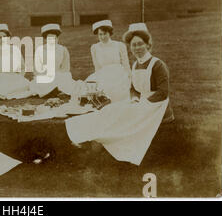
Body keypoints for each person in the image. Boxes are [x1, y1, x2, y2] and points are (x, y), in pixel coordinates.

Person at [65, 23, 174, 166]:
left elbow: (163, 92)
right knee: (110, 109)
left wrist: (142, 103)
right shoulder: (136, 64)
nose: (137, 48)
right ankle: (86, 136)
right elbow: (134, 88)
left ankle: (99, 142)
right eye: (133, 45)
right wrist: (135, 99)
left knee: (122, 114)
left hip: (158, 106)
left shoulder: (158, 65)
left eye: (140, 44)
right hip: (143, 103)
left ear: (148, 45)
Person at [86, 20, 131, 102]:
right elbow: (97, 67)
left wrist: (129, 77)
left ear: (110, 33)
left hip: (118, 74)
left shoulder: (119, 45)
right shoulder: (94, 48)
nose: (103, 37)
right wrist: (97, 79)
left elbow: (126, 63)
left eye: (105, 34)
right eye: (100, 34)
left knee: (118, 95)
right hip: (103, 75)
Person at [30, 24, 75, 97]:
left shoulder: (63, 49)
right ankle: (54, 91)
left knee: (65, 78)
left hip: (59, 75)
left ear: (57, 38)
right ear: (45, 39)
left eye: (54, 38)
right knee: (36, 84)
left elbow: (65, 68)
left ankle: (55, 90)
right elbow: (36, 70)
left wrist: (57, 75)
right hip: (44, 76)